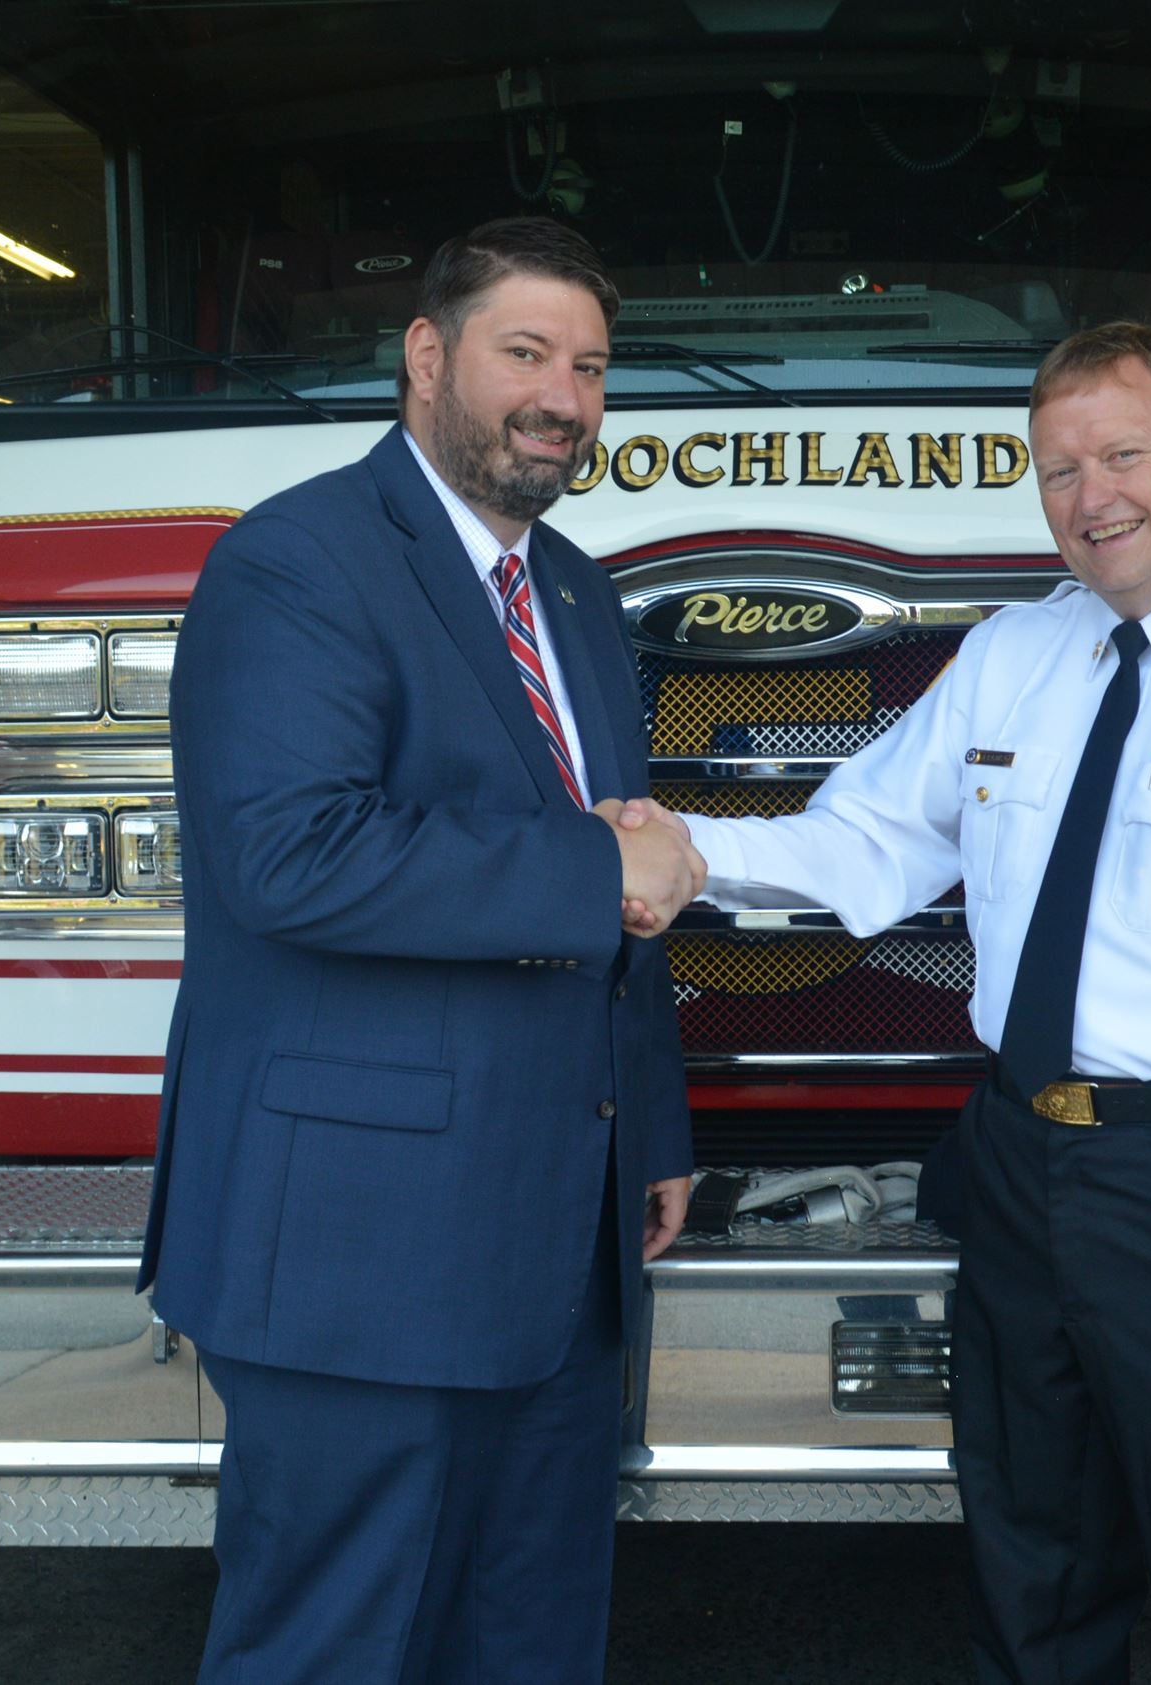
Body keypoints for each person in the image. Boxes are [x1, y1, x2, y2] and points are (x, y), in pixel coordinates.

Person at [623, 322, 1151, 1682]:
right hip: (1019, 1174)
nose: (1091, 497)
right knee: (1029, 1581)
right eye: (1057, 468)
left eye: (1122, 454)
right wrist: (686, 846)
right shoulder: (1013, 658)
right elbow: (865, 847)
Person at [141, 217, 708, 1685]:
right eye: (526, 352)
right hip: (360, 1250)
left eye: (589, 365)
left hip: (558, 1243)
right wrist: (599, 863)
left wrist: (649, 1123)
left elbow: (618, 908)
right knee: (332, 1648)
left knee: (527, 1644)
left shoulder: (574, 592)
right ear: (426, 357)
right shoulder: (295, 562)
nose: (563, 397)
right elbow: (295, 856)